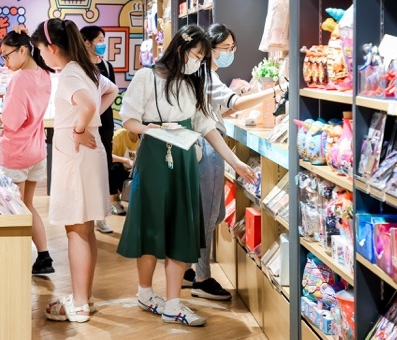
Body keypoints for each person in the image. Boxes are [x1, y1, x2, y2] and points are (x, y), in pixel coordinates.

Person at [116, 25, 256, 327]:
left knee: (182, 227)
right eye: (197, 55)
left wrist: (234, 162)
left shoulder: (193, 82)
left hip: (184, 158)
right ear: (180, 49)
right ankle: (145, 293)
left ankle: (172, 304)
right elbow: (128, 118)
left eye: (203, 58)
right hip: (154, 157)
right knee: (151, 227)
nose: (198, 62)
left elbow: (206, 127)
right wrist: (149, 129)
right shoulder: (146, 77)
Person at [182, 23, 286, 301]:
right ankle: (202, 278)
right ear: (208, 48)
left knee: (207, 212)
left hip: (204, 144)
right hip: (207, 146)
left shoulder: (206, 72)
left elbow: (216, 110)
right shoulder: (205, 72)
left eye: (232, 48)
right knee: (208, 215)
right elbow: (233, 104)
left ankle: (188, 270)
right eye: (225, 48)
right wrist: (274, 91)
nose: (230, 53)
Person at [33, 18, 119, 323]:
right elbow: (110, 91)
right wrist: (88, 123)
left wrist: (81, 127)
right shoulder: (86, 69)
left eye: (40, 49)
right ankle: (85, 297)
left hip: (77, 155)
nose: (40, 55)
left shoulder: (71, 74)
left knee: (76, 230)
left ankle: (80, 303)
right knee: (84, 229)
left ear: (52, 48)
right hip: (87, 155)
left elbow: (88, 105)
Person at [0, 29, 55, 275]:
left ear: (23, 50)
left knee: (12, 209)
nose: (5, 62)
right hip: (36, 150)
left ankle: (13, 262)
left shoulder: (20, 79)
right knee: (27, 205)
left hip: (16, 152)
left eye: (6, 55)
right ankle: (44, 257)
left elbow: (13, 121)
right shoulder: (44, 74)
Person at [80, 25, 121, 230]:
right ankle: (85, 213)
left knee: (103, 166)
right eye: (99, 40)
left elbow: (111, 92)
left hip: (105, 121)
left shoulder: (106, 65)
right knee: (87, 167)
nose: (103, 44)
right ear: (87, 43)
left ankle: (100, 216)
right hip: (87, 123)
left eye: (104, 40)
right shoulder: (79, 67)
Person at [110, 127, 141, 200]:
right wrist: (127, 161)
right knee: (115, 167)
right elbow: (109, 156)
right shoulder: (119, 135)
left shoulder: (142, 139)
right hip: (118, 170)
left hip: (131, 172)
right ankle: (112, 200)